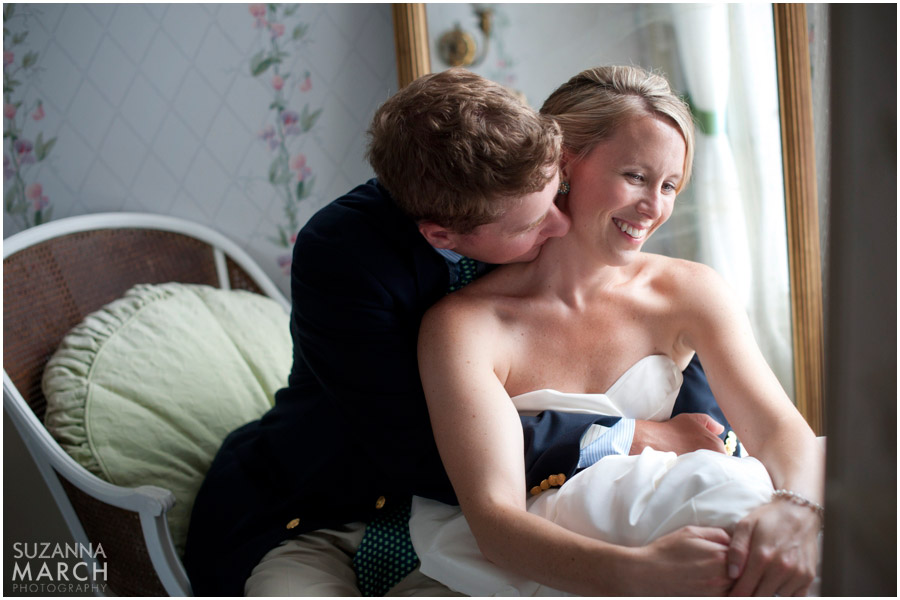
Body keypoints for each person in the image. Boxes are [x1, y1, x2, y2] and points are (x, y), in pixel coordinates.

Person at [183, 68, 731, 597]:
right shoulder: (343, 256)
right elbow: (418, 446)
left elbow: (658, 341)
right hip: (327, 508)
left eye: (558, 194)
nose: (560, 222)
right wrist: (623, 435)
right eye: (535, 222)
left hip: (492, 510)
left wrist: (708, 438)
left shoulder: (524, 186)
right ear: (442, 236)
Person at [412, 65, 825, 597]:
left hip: (678, 511)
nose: (654, 208)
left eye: (669, 185)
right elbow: (495, 520)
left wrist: (795, 512)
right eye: (635, 176)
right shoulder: (465, 327)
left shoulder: (688, 291)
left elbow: (778, 431)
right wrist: (639, 572)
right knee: (722, 495)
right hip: (556, 548)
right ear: (563, 164)